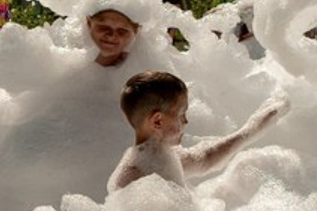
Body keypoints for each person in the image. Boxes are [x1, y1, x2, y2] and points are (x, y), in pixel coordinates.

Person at [107, 70, 289, 193]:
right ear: (158, 121)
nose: (186, 121)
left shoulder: (162, 157)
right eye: (181, 114)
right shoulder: (132, 178)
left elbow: (207, 158)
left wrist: (250, 130)